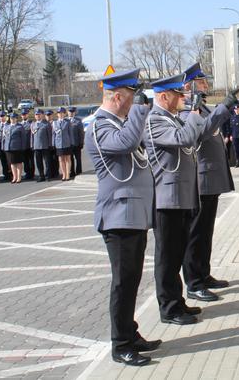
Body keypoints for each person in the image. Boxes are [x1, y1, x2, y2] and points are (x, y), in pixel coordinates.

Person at [84, 68, 159, 367]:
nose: (133, 103)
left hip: (131, 215)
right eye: (130, 97)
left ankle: (131, 332)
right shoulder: (101, 126)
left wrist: (136, 111)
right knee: (123, 283)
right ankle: (121, 344)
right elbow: (127, 144)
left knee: (132, 279)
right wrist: (141, 110)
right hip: (117, 217)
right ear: (117, 97)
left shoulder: (118, 122)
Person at [143, 73, 208, 325]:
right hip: (166, 199)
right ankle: (169, 308)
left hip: (179, 196)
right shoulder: (155, 121)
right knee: (167, 257)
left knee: (177, 252)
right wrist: (193, 113)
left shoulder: (170, 118)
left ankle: (177, 301)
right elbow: (184, 139)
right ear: (163, 96)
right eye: (178, 95)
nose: (182, 98)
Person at [180, 64, 239, 303]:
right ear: (191, 84)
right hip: (200, 179)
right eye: (201, 81)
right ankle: (193, 282)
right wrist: (224, 107)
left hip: (210, 178)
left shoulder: (201, 106)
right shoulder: (186, 110)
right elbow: (203, 131)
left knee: (206, 232)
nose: (206, 83)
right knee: (196, 233)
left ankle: (203, 274)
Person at [4, 113, 26, 184]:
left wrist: (23, 147)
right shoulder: (7, 127)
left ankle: (19, 177)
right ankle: (14, 177)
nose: (12, 120)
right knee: (12, 163)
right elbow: (4, 138)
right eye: (11, 118)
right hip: (9, 147)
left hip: (17, 147)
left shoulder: (20, 127)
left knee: (18, 163)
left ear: (16, 119)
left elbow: (23, 138)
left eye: (14, 118)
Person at [31, 109, 52, 182]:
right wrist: (32, 145)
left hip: (45, 146)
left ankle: (48, 175)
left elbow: (49, 135)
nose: (38, 116)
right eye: (36, 115)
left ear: (42, 115)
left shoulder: (46, 124)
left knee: (47, 162)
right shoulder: (33, 124)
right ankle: (41, 175)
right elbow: (32, 136)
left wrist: (50, 144)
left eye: (39, 114)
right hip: (36, 146)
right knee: (38, 162)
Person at [52, 107, 72, 181]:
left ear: (64, 114)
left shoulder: (67, 122)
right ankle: (63, 174)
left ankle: (67, 175)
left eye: (62, 113)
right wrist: (53, 144)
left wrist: (71, 143)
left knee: (67, 159)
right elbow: (53, 134)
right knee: (61, 160)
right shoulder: (55, 123)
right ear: (57, 114)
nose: (60, 114)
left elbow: (70, 133)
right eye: (59, 113)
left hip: (67, 143)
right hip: (58, 144)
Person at [68, 106, 85, 178]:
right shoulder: (65, 121)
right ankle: (72, 172)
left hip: (76, 143)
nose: (71, 113)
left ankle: (79, 171)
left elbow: (81, 133)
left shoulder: (78, 121)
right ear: (67, 112)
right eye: (69, 112)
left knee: (78, 158)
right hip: (68, 144)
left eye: (72, 112)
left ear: (74, 112)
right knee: (70, 159)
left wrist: (81, 142)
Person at [0, 111, 11, 181]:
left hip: (7, 146)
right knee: (3, 161)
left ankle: (11, 174)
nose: (2, 118)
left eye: (3, 116)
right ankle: (6, 174)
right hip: (1, 146)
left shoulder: (9, 125)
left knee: (9, 161)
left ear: (6, 117)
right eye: (1, 116)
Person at [20, 109, 34, 180]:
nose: (24, 116)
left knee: (31, 160)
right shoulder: (20, 124)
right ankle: (27, 173)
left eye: (25, 114)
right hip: (23, 145)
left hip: (30, 144)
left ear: (27, 115)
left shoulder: (31, 123)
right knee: (25, 160)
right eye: (22, 115)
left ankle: (32, 173)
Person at [45, 110, 59, 179]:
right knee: (48, 160)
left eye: (50, 115)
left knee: (55, 159)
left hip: (55, 144)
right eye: (47, 115)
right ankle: (49, 173)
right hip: (47, 145)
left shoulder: (55, 123)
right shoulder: (44, 124)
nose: (49, 117)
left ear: (52, 116)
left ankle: (56, 172)